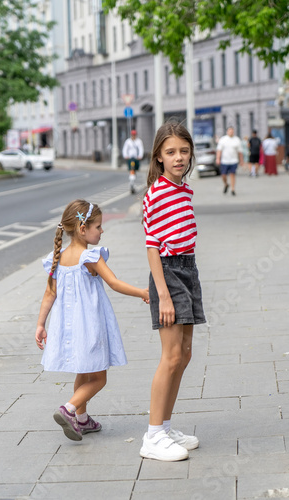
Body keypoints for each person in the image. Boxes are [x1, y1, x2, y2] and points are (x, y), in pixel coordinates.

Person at [35, 199, 149, 442]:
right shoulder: (90, 256)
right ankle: (69, 408)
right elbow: (114, 283)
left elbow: (49, 294)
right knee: (98, 377)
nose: (102, 230)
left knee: (83, 371)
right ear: (82, 229)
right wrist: (143, 292)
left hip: (69, 327)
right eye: (98, 226)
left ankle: (83, 419)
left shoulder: (59, 257)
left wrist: (40, 324)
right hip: (90, 326)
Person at [141, 121, 206, 462]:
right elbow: (152, 246)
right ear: (159, 157)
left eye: (183, 150)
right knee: (170, 357)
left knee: (185, 353)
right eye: (171, 152)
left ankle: (164, 426)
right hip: (168, 272)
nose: (179, 157)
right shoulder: (157, 192)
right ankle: (152, 436)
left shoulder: (184, 189)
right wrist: (163, 294)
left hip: (188, 269)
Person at [216, 126, 243, 196]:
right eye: (229, 131)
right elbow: (219, 150)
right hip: (224, 161)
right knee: (223, 175)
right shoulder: (223, 139)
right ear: (227, 131)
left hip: (234, 160)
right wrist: (218, 158)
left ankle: (233, 189)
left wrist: (241, 160)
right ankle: (226, 184)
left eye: (232, 131)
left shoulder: (237, 140)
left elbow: (240, 152)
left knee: (232, 174)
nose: (231, 132)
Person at [122, 129, 144, 194]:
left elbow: (141, 148)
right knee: (132, 170)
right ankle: (132, 183)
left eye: (134, 135)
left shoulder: (139, 141)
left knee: (134, 170)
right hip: (130, 158)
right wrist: (125, 155)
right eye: (132, 135)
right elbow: (125, 149)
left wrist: (140, 156)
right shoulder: (128, 141)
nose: (133, 136)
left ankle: (132, 182)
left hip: (136, 158)